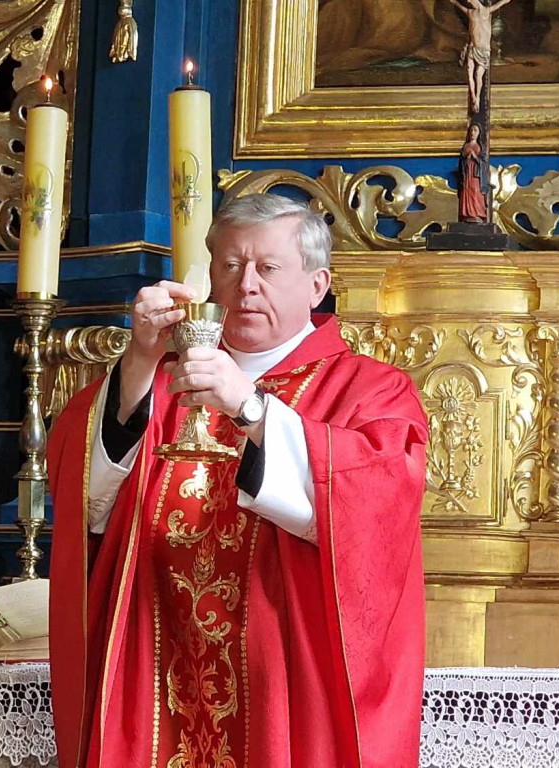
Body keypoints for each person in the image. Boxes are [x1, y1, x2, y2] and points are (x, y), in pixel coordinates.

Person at [48, 193, 428, 768]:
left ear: (317, 285)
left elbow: (374, 514)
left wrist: (249, 408)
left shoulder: (369, 390)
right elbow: (86, 501)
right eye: (230, 266)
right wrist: (137, 366)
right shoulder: (164, 380)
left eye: (268, 269)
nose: (246, 285)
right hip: (156, 675)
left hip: (284, 694)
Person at [448, 0, 513, 113]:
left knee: (478, 75)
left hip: (483, 50)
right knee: (469, 74)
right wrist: (454, 2)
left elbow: (500, 4)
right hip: (473, 49)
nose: (469, 2)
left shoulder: (487, 11)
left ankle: (477, 98)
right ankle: (473, 97)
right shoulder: (470, 12)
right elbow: (458, 5)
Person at [458, 122, 488, 223]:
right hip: (466, 174)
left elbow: (484, 163)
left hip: (476, 174)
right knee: (467, 191)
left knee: (476, 191)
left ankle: (477, 213)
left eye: (475, 130)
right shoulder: (465, 146)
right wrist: (467, 159)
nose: (472, 132)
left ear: (479, 133)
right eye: (471, 130)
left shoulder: (481, 147)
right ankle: (467, 213)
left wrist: (475, 157)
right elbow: (461, 162)